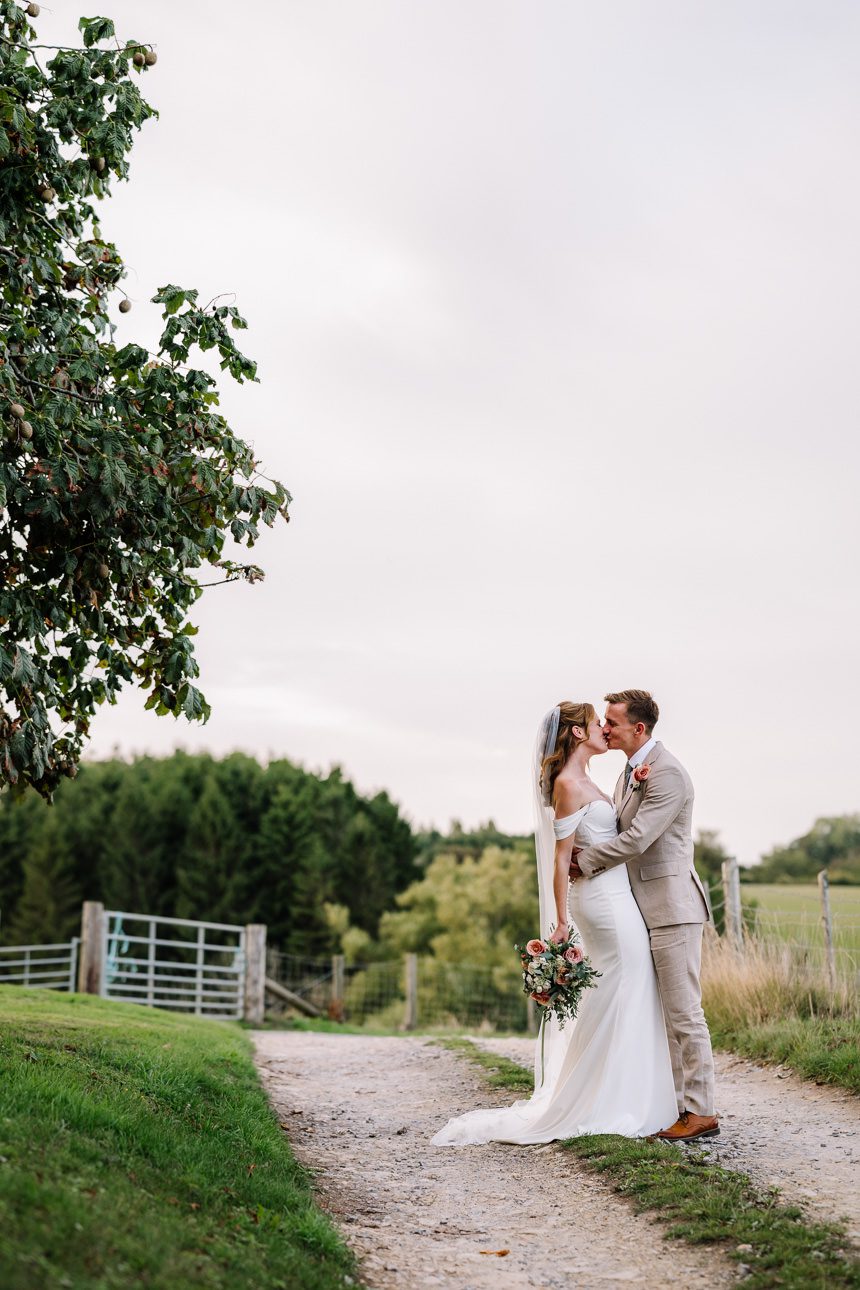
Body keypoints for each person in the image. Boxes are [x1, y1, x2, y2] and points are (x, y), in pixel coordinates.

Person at [431, 700, 677, 1147]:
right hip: (602, 902)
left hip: (617, 895)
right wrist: (562, 921)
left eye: (609, 723)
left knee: (626, 987)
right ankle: (611, 1100)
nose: (604, 729)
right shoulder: (567, 784)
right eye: (595, 723)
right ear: (578, 734)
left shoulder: (593, 780)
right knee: (626, 982)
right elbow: (561, 860)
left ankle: (623, 1092)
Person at [570, 689, 718, 1143]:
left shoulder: (667, 773)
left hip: (672, 907)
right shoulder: (629, 772)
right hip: (642, 905)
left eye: (612, 722)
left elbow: (637, 839)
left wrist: (585, 861)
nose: (605, 728)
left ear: (639, 728)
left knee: (683, 1011)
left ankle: (701, 1112)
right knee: (662, 1011)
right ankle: (674, 1103)